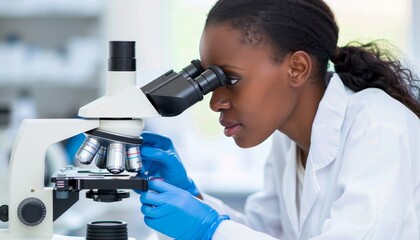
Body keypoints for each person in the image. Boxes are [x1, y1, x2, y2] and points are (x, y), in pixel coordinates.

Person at [138, 0, 420, 239]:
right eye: (210, 82)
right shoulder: (288, 140)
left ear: (296, 69)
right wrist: (190, 196)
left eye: (231, 79)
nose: (215, 103)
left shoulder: (380, 127)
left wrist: (209, 230)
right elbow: (267, 233)